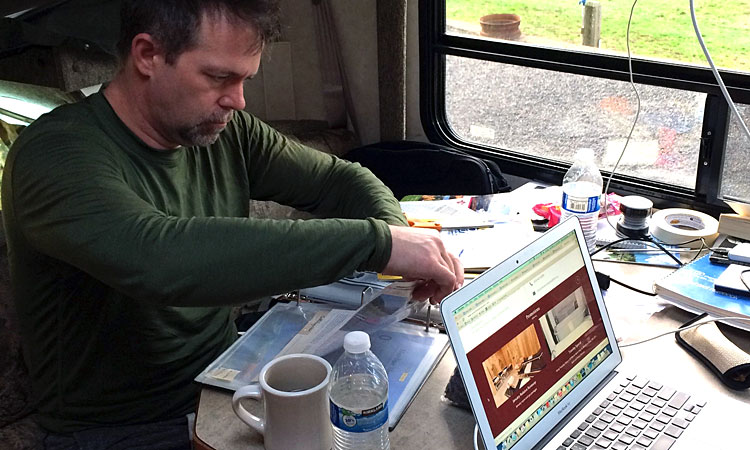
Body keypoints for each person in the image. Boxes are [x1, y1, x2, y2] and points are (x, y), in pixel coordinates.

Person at [0, 0, 463, 448]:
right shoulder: (55, 155)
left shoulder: (224, 131)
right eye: (219, 76)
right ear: (148, 55)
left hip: (227, 375)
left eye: (245, 79)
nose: (238, 100)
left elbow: (339, 179)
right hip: (123, 425)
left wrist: (398, 236)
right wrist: (375, 242)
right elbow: (160, 260)